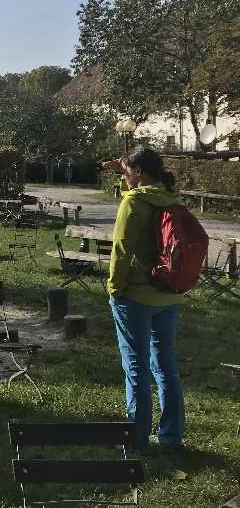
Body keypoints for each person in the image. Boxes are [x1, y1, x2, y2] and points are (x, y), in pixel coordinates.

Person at [101, 146, 185, 453]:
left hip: (135, 295)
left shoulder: (134, 202)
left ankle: (136, 441)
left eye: (126, 171)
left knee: (136, 368)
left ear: (139, 173)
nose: (123, 176)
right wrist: (120, 164)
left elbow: (121, 251)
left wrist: (114, 288)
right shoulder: (171, 197)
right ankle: (172, 436)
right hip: (169, 294)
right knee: (166, 366)